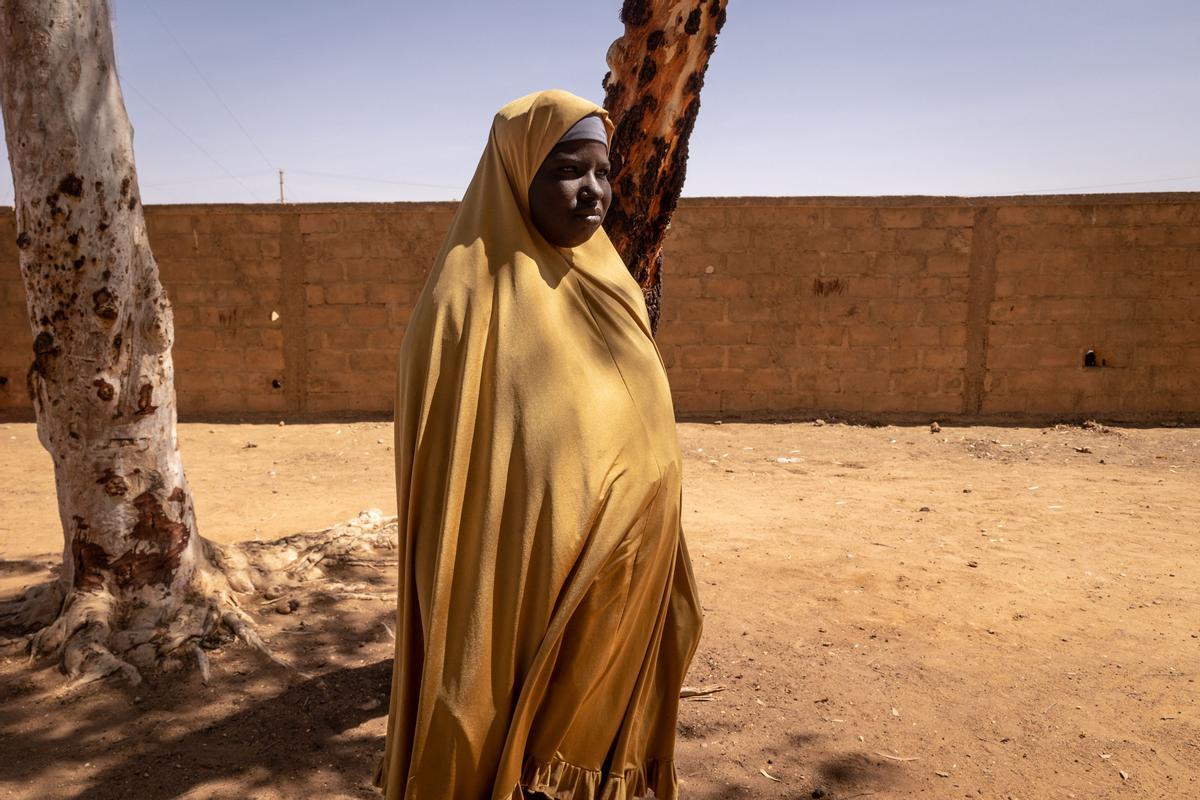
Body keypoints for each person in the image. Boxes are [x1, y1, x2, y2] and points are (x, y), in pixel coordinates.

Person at [376, 89, 702, 800]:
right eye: (568, 170)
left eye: (603, 172)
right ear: (516, 174)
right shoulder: (465, 303)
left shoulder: (610, 282)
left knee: (587, 744)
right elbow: (462, 479)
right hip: (522, 583)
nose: (594, 193)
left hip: (622, 575)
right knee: (513, 743)